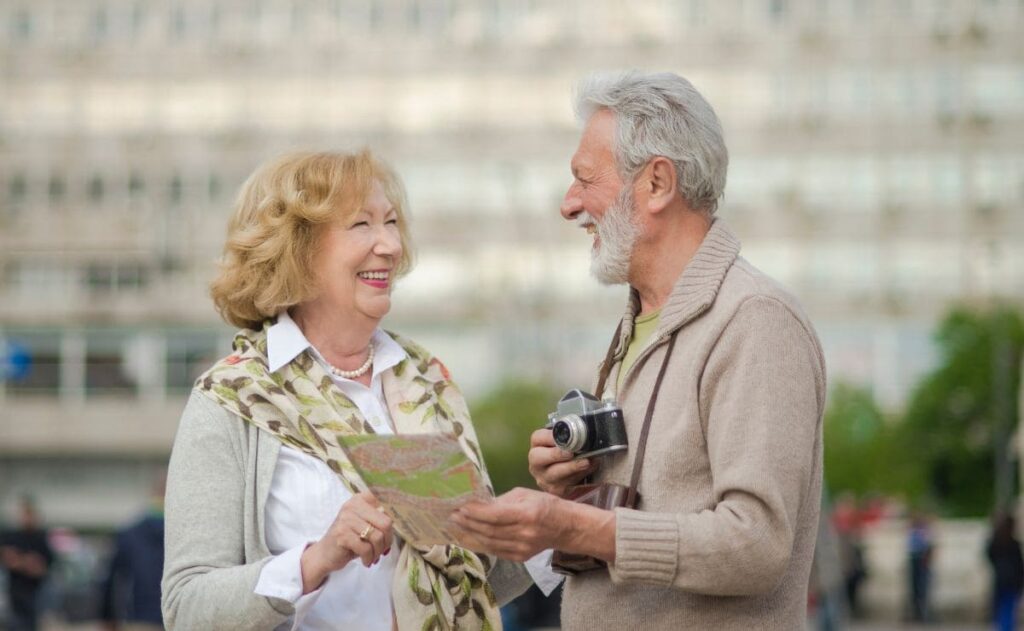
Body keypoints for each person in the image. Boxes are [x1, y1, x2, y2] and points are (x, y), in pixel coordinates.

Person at [451, 71, 826, 629]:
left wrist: (575, 525)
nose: (568, 204)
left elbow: (757, 543)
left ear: (656, 184)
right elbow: (641, 512)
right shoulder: (638, 323)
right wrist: (566, 492)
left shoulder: (756, 320)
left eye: (584, 179)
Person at [161, 150, 532, 630]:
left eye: (392, 222)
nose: (391, 245)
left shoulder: (421, 381)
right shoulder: (233, 398)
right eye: (362, 225)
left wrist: (558, 514)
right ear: (297, 248)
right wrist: (317, 559)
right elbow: (187, 607)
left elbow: (474, 580)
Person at [100, 475, 166, 631]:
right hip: (182, 620)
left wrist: (108, 617)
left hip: (139, 618)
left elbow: (111, 580)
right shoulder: (191, 535)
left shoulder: (129, 533)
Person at [0, 496, 54, 631]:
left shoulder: (41, 538)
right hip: (15, 592)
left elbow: (41, 567)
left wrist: (20, 561)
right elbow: (9, 559)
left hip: (35, 594)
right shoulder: (11, 536)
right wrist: (26, 562)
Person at [907, 511, 934, 623]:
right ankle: (918, 613)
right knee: (916, 590)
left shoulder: (924, 532)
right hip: (917, 561)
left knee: (922, 589)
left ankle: (922, 614)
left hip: (921, 562)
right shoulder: (915, 532)